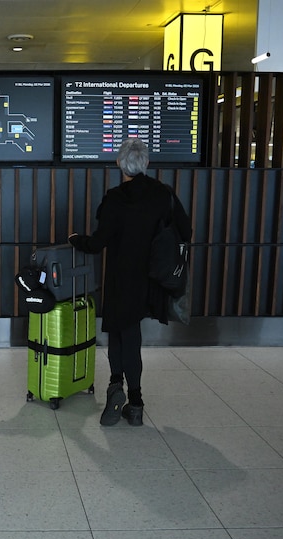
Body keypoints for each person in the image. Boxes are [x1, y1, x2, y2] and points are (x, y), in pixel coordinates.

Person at [68, 138, 191, 427]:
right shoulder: (164, 194)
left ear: (119, 164)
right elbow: (185, 229)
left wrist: (76, 240)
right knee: (131, 332)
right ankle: (133, 401)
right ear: (146, 163)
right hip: (152, 278)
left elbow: (98, 243)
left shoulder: (115, 198)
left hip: (121, 278)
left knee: (120, 333)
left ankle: (121, 389)